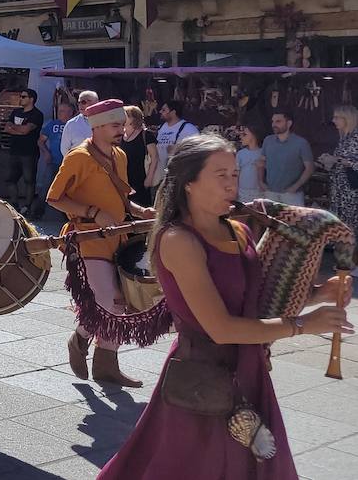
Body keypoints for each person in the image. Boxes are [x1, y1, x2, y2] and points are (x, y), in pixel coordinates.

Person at [96, 133, 352, 480]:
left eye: (234, 174)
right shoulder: (178, 240)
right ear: (189, 183)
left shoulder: (237, 231)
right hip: (202, 374)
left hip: (249, 368)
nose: (232, 184)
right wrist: (304, 324)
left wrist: (320, 294)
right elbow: (221, 327)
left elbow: (253, 302)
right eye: (221, 176)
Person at [46, 99, 156, 387]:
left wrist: (140, 211)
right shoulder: (78, 157)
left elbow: (120, 199)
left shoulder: (119, 156)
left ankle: (106, 364)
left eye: (122, 124)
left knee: (123, 302)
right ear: (96, 126)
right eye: (115, 125)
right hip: (87, 239)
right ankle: (79, 338)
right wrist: (93, 213)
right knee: (108, 301)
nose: (121, 129)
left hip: (117, 238)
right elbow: (54, 197)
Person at [320, 106, 358, 247]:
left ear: (347, 119)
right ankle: (345, 262)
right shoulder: (344, 138)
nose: (333, 120)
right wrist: (326, 160)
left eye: (337, 117)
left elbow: (351, 162)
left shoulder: (356, 138)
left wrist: (339, 160)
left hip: (351, 193)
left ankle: (351, 263)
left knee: (350, 227)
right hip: (339, 192)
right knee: (342, 227)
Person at [3, 88, 45, 215]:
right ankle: (14, 204)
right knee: (11, 179)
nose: (21, 99)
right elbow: (6, 128)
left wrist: (16, 129)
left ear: (31, 99)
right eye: (20, 96)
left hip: (29, 152)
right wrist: (19, 130)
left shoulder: (37, 114)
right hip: (14, 150)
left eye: (23, 97)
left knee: (29, 180)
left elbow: (26, 130)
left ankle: (27, 206)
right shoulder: (16, 111)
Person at [261, 111, 313, 205]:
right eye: (273, 121)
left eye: (278, 121)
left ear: (289, 123)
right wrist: (260, 182)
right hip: (270, 192)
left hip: (292, 194)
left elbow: (309, 168)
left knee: (294, 220)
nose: (274, 124)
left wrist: (295, 187)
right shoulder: (268, 140)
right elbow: (260, 163)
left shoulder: (301, 143)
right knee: (269, 219)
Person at [155, 100, 199, 185]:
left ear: (173, 112)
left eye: (164, 110)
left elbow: (197, 151)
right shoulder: (162, 127)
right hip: (160, 177)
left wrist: (178, 149)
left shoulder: (189, 129)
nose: (160, 112)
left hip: (178, 178)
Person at [122, 105, 158, 207]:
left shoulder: (146, 135)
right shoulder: (120, 136)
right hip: (125, 179)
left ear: (134, 118)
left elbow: (155, 157)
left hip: (141, 179)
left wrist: (149, 179)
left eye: (126, 115)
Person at [61, 90, 99, 157]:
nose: (80, 105)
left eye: (83, 102)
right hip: (77, 164)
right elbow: (64, 149)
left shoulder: (105, 121)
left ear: (96, 103)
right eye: (79, 102)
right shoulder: (71, 124)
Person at [237, 123, 267, 204]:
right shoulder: (240, 154)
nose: (241, 136)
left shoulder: (263, 153)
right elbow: (237, 173)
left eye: (244, 134)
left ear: (254, 135)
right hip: (242, 193)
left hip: (259, 193)